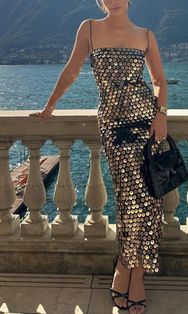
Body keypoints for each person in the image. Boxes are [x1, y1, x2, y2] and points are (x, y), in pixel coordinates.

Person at [30, 0, 168, 313]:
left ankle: (136, 273)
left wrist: (160, 115)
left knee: (149, 198)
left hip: (146, 122)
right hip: (114, 125)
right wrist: (50, 105)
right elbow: (72, 69)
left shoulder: (146, 35)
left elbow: (159, 81)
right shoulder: (89, 28)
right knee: (127, 198)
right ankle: (124, 265)